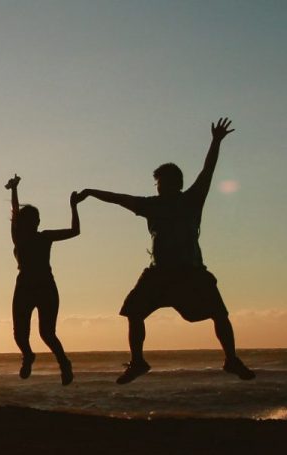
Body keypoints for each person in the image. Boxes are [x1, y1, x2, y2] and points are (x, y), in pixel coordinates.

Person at [79, 117, 255, 384]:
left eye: (161, 182)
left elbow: (208, 170)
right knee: (134, 312)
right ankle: (138, 362)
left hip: (190, 272)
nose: (158, 186)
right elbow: (119, 199)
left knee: (219, 314)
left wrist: (215, 141)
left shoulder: (190, 200)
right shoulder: (152, 204)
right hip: (159, 274)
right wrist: (91, 192)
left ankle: (231, 359)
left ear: (174, 183)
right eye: (157, 183)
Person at [5, 175, 81, 385]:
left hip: (45, 286)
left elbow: (75, 231)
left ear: (38, 222)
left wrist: (73, 207)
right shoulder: (18, 236)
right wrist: (14, 189)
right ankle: (28, 356)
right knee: (20, 334)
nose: (32, 223)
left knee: (47, 333)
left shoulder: (45, 236)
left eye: (34, 220)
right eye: (27, 220)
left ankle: (64, 364)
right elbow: (14, 212)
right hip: (25, 287)